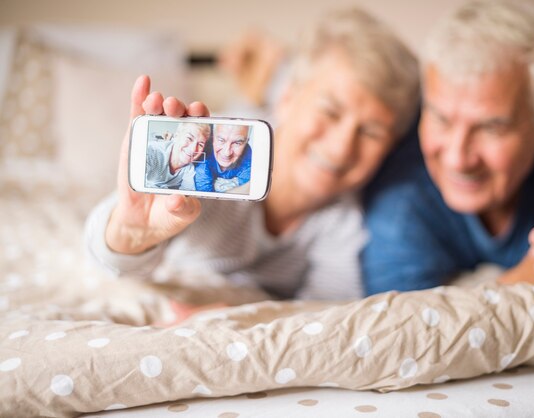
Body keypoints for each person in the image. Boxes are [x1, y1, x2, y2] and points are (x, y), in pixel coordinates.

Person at [85, 8, 420, 300]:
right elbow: (106, 258)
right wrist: (131, 232)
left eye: (371, 131)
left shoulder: (344, 222)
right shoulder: (211, 157)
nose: (342, 146)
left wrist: (237, 313)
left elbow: (324, 317)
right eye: (330, 112)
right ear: (286, 98)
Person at [362, 0, 534, 294]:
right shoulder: (399, 173)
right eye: (441, 119)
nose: (457, 158)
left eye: (490, 128)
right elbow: (407, 327)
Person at [145, 122, 210, 190]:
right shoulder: (152, 151)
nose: (193, 149)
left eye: (200, 145)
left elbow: (187, 193)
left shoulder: (189, 169)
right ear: (176, 136)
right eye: (189, 138)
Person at [194, 124, 252, 193]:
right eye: (221, 140)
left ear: (246, 142)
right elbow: (205, 195)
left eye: (237, 143)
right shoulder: (204, 157)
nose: (227, 153)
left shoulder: (249, 158)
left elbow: (245, 190)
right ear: (212, 138)